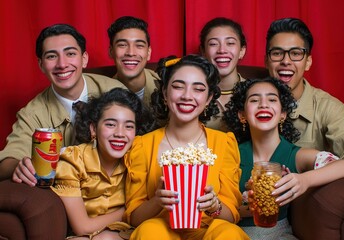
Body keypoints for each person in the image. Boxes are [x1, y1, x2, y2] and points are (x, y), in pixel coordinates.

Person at [0, 24, 126, 239]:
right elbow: (7, 161)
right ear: (41, 64)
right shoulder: (33, 112)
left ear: (84, 58)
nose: (62, 64)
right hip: (70, 202)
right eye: (51, 56)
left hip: (116, 194)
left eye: (70, 54)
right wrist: (19, 165)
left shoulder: (113, 91)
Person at [123, 55, 250, 240]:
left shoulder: (224, 143)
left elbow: (231, 216)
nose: (187, 96)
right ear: (165, 94)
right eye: (178, 86)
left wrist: (215, 206)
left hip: (209, 231)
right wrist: (157, 201)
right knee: (149, 231)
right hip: (160, 230)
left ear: (208, 99)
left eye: (198, 89)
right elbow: (134, 218)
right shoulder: (142, 146)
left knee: (229, 233)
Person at [223, 77, 344, 240]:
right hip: (232, 234)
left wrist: (304, 180)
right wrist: (248, 206)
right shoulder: (231, 151)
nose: (263, 104)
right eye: (254, 100)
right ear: (242, 115)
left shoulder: (296, 155)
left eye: (272, 99)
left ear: (283, 114)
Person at [264, 17, 344, 239]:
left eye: (296, 53)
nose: (285, 61)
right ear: (267, 60)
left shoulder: (328, 107)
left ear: (307, 62)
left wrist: (305, 180)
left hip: (305, 208)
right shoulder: (249, 99)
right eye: (277, 53)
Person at [51, 88, 155, 239]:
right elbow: (82, 227)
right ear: (93, 129)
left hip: (128, 233)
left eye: (129, 126)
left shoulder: (138, 159)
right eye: (111, 124)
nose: (120, 133)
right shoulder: (73, 161)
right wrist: (129, 211)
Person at [199, 17, 247, 131]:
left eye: (230, 43)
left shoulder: (254, 92)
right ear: (203, 52)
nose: (222, 50)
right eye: (213, 44)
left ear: (242, 51)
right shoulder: (193, 94)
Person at [107, 16, 160, 107]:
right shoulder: (102, 94)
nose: (131, 53)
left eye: (139, 45)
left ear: (149, 52)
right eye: (122, 45)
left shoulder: (166, 88)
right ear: (111, 52)